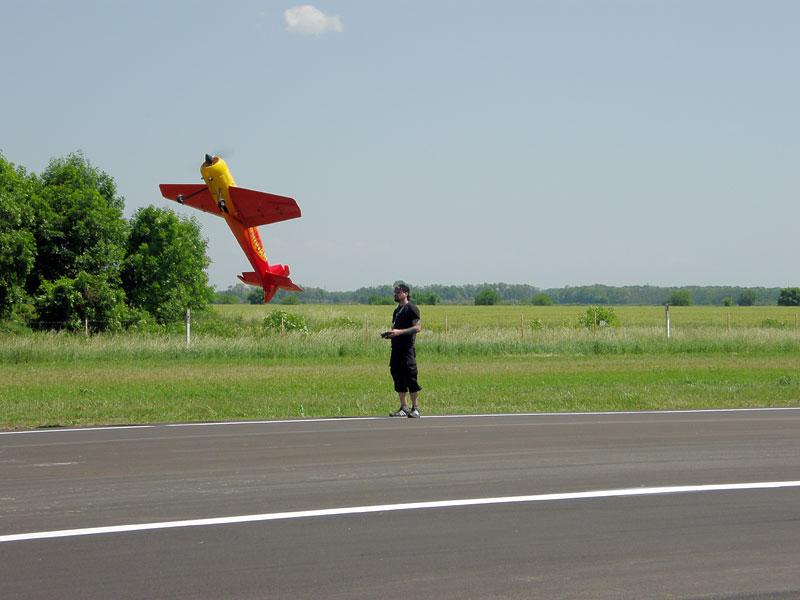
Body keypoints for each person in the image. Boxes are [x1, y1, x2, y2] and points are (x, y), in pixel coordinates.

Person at [385, 284, 422, 418]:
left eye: (398, 292)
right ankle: (404, 407)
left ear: (406, 293)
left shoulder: (411, 308)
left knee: (410, 377)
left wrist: (400, 332)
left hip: (407, 349)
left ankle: (415, 408)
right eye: (394, 292)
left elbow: (417, 328)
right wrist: (390, 334)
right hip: (396, 349)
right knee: (397, 376)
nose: (395, 294)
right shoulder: (396, 311)